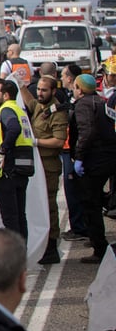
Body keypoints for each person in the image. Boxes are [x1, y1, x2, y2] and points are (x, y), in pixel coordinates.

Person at [20, 75, 68, 264]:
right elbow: (30, 103)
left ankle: (51, 246)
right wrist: (22, 85)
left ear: (53, 91)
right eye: (38, 89)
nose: (40, 93)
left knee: (49, 206)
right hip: (38, 163)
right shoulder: (40, 106)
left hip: (48, 165)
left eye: (44, 90)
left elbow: (58, 140)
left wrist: (36, 142)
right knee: (38, 205)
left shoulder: (57, 112)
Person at [70, 72, 116, 264]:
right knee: (100, 199)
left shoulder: (83, 105)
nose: (73, 89)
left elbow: (86, 132)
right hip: (109, 157)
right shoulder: (101, 102)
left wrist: (79, 157)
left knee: (91, 203)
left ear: (80, 89)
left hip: (94, 160)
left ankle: (100, 248)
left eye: (75, 86)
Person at [0, 81, 36, 239]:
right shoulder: (19, 110)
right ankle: (21, 257)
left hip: (7, 172)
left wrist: (2, 150)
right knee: (20, 216)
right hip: (20, 170)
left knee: (10, 219)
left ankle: (15, 260)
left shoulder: (6, 110)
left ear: (5, 95)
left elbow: (14, 129)